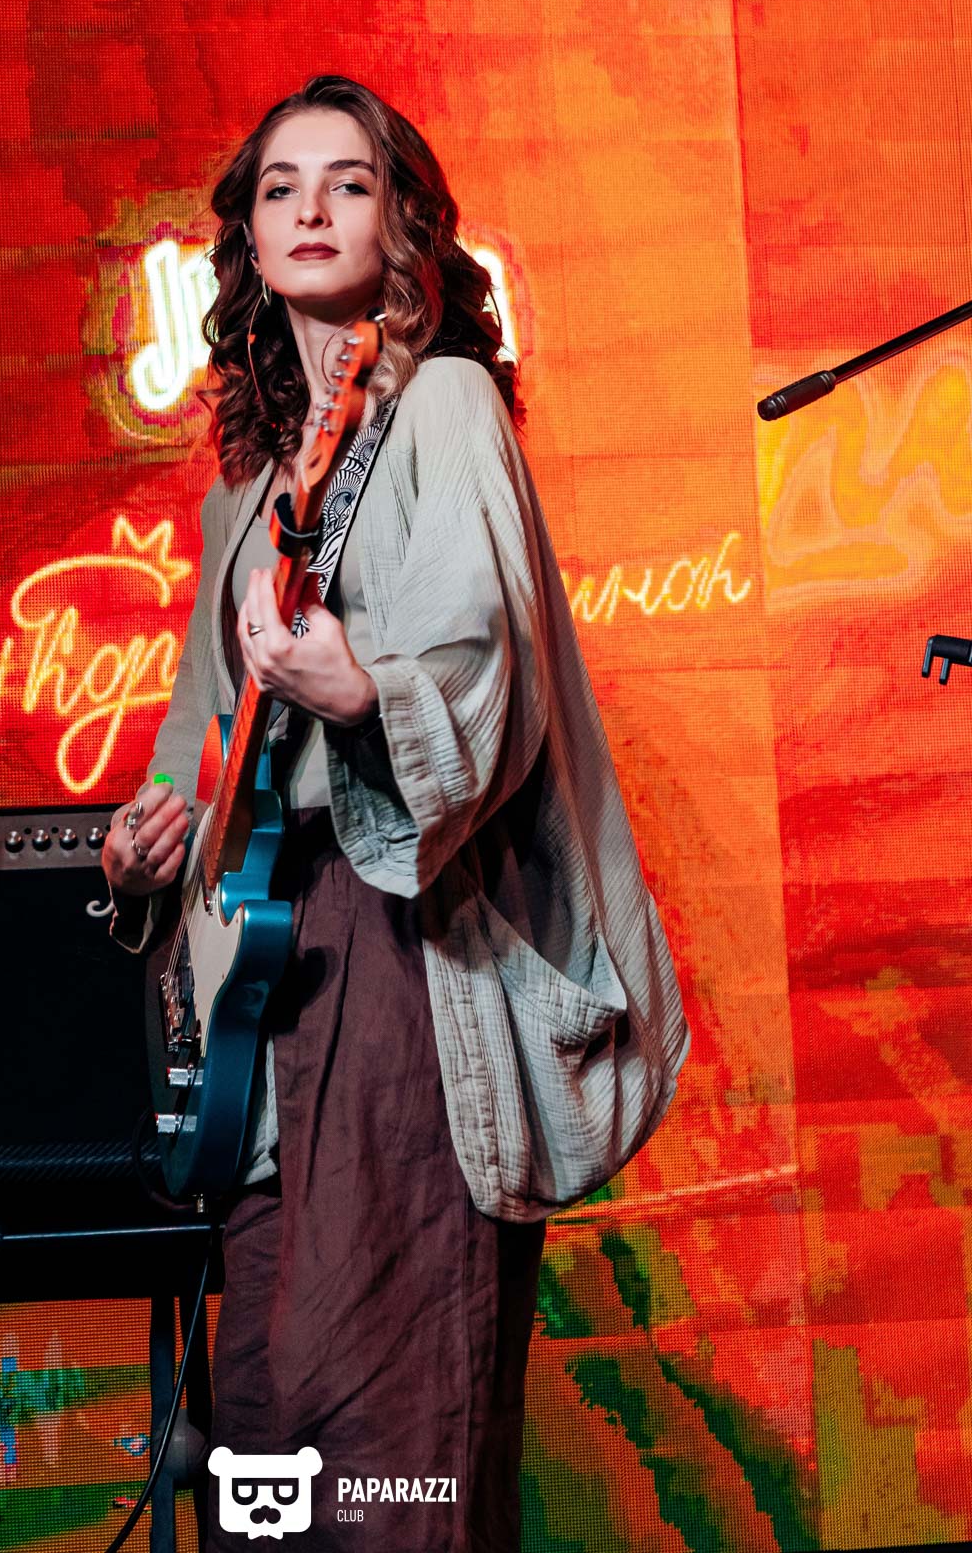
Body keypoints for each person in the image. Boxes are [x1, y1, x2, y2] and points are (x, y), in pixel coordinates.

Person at [101, 74, 687, 1551]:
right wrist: (147, 842)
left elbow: (482, 662)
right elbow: (197, 745)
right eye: (280, 186)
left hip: (408, 966)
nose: (311, 208)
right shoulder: (246, 489)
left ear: (403, 225)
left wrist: (365, 690)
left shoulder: (445, 406)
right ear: (246, 235)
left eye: (348, 183)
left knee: (390, 1445)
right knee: (268, 1434)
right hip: (271, 993)